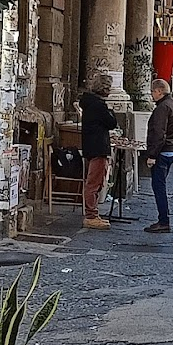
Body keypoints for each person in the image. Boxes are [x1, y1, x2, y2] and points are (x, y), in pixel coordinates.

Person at [144, 78, 173, 234]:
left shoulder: (163, 107)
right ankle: (163, 219)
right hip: (172, 149)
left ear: (159, 91)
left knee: (158, 187)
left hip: (162, 150)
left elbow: (159, 133)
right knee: (160, 185)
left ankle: (163, 220)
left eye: (153, 92)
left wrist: (152, 154)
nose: (152, 95)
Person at [77, 73, 117, 229]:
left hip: (91, 145)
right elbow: (111, 122)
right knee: (94, 182)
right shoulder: (98, 105)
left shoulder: (89, 103)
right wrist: (111, 111)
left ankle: (93, 213)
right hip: (98, 146)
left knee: (93, 181)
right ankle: (91, 215)